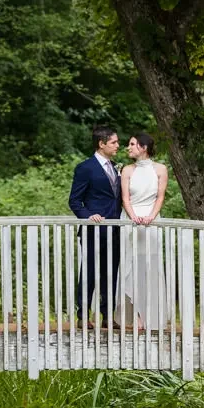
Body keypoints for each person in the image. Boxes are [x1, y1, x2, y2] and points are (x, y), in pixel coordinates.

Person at [68, 126, 122, 329]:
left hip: (115, 229)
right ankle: (83, 315)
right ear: (101, 144)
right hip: (94, 229)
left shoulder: (116, 167)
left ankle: (107, 315)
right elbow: (75, 201)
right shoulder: (85, 168)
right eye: (114, 142)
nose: (118, 145)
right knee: (89, 272)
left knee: (111, 273)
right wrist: (88, 216)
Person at [117, 133, 168, 331]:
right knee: (130, 266)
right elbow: (125, 198)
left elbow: (160, 197)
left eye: (132, 144)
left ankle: (150, 315)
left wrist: (151, 217)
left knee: (149, 266)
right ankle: (136, 316)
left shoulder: (160, 169)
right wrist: (133, 217)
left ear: (144, 147)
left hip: (151, 220)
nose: (128, 147)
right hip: (131, 219)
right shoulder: (127, 170)